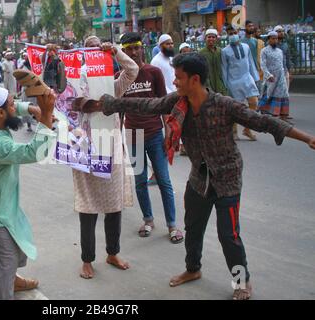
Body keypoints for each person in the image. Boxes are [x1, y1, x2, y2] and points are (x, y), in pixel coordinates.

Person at [73, 52, 315, 300]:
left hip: (227, 180)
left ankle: (242, 282)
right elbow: (145, 104)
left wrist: (307, 138)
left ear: (195, 79)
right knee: (193, 228)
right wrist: (107, 104)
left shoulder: (224, 105)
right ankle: (193, 269)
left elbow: (264, 122)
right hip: (199, 179)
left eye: (178, 77)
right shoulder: (178, 103)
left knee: (228, 235)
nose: (174, 82)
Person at [0, 86, 56, 300]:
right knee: (6, 261)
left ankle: (14, 281)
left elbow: (12, 106)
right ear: (0, 113)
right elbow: (34, 152)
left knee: (16, 247)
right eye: (10, 104)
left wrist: (31, 108)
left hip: (3, 198)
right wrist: (45, 114)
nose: (14, 106)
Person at [74, 35, 138, 280]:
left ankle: (112, 253)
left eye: (97, 50)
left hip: (112, 150)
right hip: (85, 150)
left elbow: (132, 70)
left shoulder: (114, 85)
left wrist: (116, 52)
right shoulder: (77, 82)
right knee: (87, 206)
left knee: (114, 206)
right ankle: (87, 260)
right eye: (89, 50)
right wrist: (87, 103)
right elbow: (71, 103)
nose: (94, 53)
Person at [120, 32, 183, 242]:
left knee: (164, 181)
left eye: (136, 47)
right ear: (123, 52)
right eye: (128, 49)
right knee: (140, 182)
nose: (134, 52)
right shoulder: (121, 78)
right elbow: (118, 111)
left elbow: (165, 105)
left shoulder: (154, 72)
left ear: (142, 48)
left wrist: (169, 134)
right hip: (133, 136)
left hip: (155, 134)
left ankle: (172, 226)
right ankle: (148, 220)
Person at [222, 25, 259, 141]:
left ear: (238, 32)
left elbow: (251, 63)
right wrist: (226, 85)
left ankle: (247, 129)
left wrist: (256, 77)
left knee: (254, 102)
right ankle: (233, 131)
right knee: (236, 108)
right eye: (230, 34)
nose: (232, 35)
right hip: (234, 82)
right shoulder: (225, 51)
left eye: (234, 32)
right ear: (227, 35)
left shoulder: (246, 47)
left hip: (248, 79)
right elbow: (224, 69)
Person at [258, 31, 291, 122]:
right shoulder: (264, 51)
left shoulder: (280, 51)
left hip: (281, 77)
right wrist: (268, 75)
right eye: (273, 38)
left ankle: (283, 117)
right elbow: (263, 64)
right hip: (271, 78)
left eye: (276, 38)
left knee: (284, 94)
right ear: (268, 39)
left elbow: (282, 64)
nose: (275, 40)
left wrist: (285, 73)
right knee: (269, 95)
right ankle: (267, 115)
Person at [199, 29, 229, 96]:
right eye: (209, 37)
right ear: (205, 38)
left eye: (213, 37)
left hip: (220, 83)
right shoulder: (201, 53)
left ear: (216, 39)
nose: (211, 39)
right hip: (207, 84)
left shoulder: (220, 51)